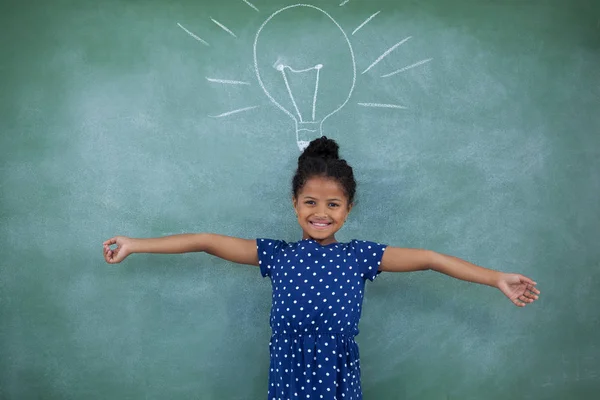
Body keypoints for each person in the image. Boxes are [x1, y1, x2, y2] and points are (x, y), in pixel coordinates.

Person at [103, 136, 540, 400]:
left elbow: (429, 258)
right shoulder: (277, 255)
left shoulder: (360, 256)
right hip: (289, 369)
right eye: (310, 202)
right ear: (295, 206)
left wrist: (494, 277)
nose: (321, 212)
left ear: (348, 210)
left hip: (336, 370)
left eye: (333, 204)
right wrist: (135, 244)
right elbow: (205, 241)